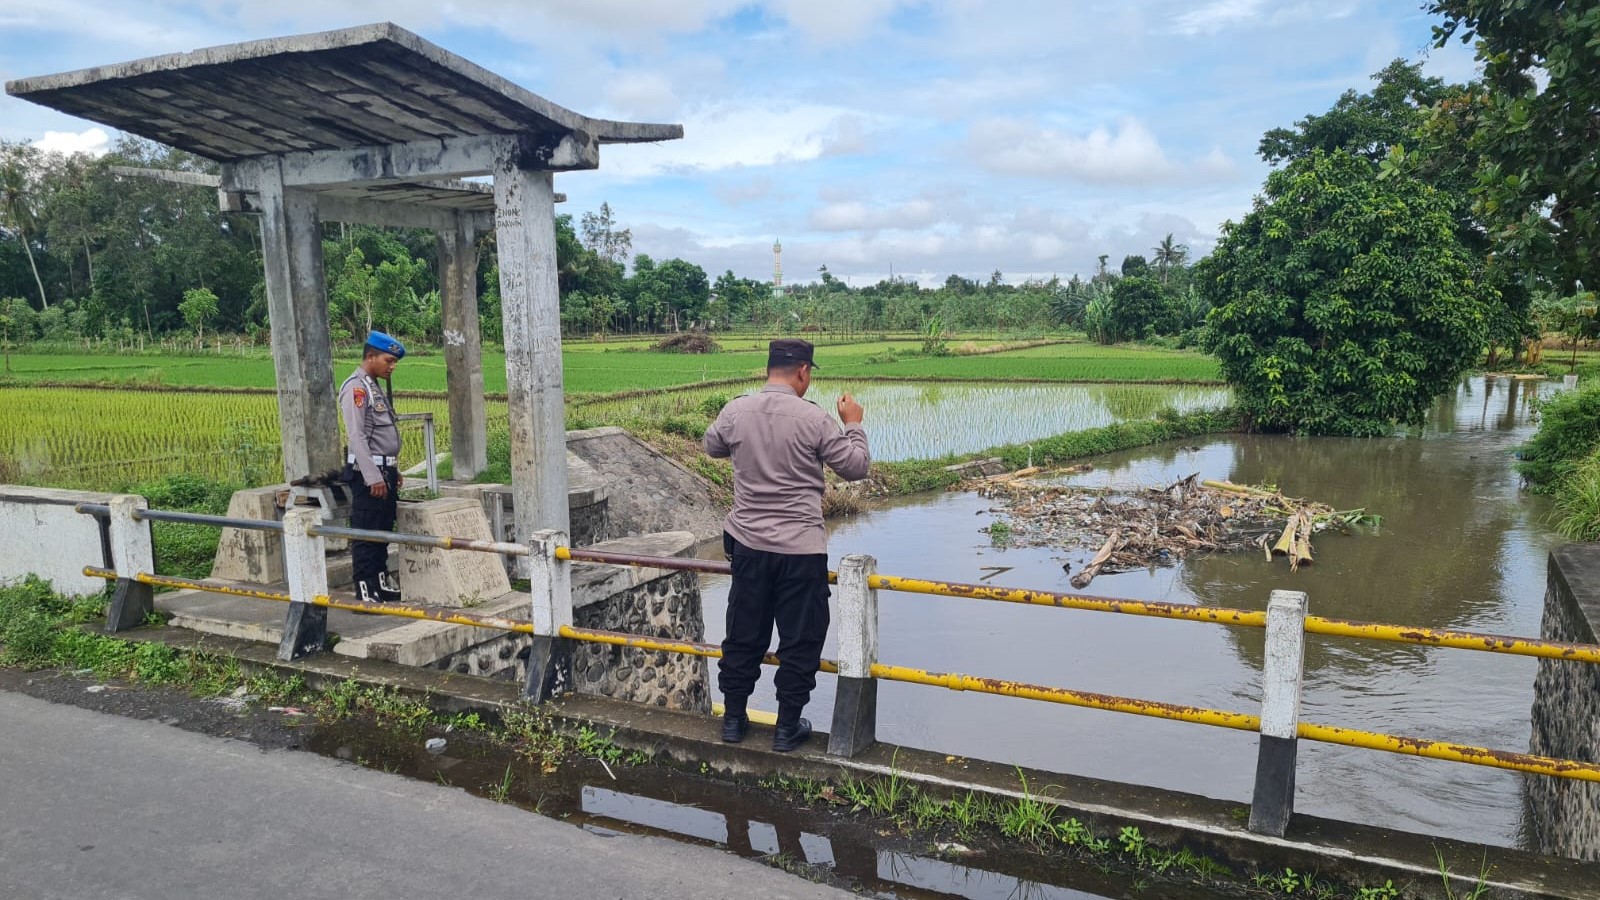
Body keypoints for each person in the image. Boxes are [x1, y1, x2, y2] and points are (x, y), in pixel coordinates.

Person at [704, 338, 870, 752]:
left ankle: (734, 721)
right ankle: (786, 728)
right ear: (802, 372)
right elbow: (855, 467)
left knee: (743, 633)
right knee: (801, 638)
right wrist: (853, 423)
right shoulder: (814, 419)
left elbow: (712, 446)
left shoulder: (737, 410)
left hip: (748, 545)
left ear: (769, 369)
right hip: (800, 550)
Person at [339, 330, 406, 604]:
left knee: (382, 532)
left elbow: (380, 436)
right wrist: (372, 476)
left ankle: (380, 584)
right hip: (369, 475)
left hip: (384, 472)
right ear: (371, 356)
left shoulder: (373, 385)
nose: (392, 367)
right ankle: (366, 593)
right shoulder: (356, 388)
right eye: (388, 361)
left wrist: (392, 469)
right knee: (366, 534)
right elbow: (357, 437)